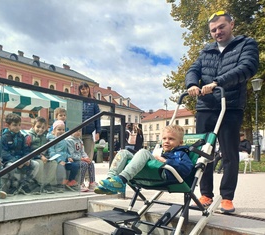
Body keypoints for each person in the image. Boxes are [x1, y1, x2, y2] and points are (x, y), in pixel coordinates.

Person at [185, 11, 259, 213]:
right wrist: (192, 83)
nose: (217, 32)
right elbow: (193, 70)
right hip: (206, 107)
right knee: (203, 152)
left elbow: (248, 67)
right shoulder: (206, 51)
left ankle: (227, 197)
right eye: (213, 30)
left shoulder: (246, 44)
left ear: (231, 24)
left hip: (231, 106)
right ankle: (205, 194)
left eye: (221, 27)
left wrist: (218, 82)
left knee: (229, 154)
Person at [96, 125, 193, 195]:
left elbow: (187, 168)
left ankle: (121, 180)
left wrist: (166, 161)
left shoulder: (181, 153)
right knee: (123, 152)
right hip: (154, 171)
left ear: (180, 143)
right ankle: (110, 181)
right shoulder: (162, 151)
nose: (166, 141)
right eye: (164, 138)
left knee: (143, 151)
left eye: (171, 139)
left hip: (164, 174)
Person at [0, 113, 39, 195]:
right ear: (7, 125)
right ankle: (13, 186)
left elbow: (26, 150)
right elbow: (3, 153)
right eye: (15, 125)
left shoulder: (21, 136)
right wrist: (17, 161)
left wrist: (26, 159)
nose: (18, 127)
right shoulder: (4, 137)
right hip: (9, 161)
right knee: (11, 167)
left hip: (21, 160)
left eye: (19, 125)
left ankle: (24, 185)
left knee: (36, 164)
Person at [26, 116, 57, 194]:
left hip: (42, 157)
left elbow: (46, 149)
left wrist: (48, 157)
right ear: (33, 126)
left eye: (43, 128)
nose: (40, 129)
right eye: (38, 127)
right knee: (40, 163)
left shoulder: (44, 137)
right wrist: (39, 156)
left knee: (53, 163)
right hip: (33, 157)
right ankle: (39, 184)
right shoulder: (29, 136)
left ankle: (46, 184)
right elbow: (28, 150)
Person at [47, 120, 78, 192]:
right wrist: (59, 160)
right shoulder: (52, 140)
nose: (61, 131)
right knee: (60, 167)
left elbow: (66, 151)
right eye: (59, 129)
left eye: (63, 130)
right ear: (54, 130)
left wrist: (69, 157)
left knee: (75, 166)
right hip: (57, 160)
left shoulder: (64, 140)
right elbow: (51, 152)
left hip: (65, 160)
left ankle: (70, 181)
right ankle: (59, 184)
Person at [78, 82, 101, 162]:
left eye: (86, 88)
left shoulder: (93, 102)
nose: (85, 91)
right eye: (83, 89)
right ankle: (79, 174)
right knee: (78, 155)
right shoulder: (77, 101)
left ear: (89, 89)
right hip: (78, 133)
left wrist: (98, 132)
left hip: (89, 133)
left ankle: (87, 174)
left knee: (88, 156)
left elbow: (97, 118)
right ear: (80, 90)